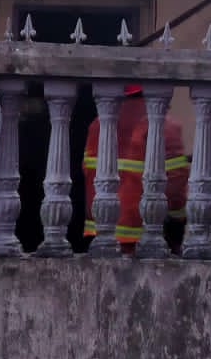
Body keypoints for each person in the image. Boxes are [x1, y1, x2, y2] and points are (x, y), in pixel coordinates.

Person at [81, 85, 190, 253]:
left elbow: (87, 172)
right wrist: (177, 224)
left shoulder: (97, 124)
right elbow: (175, 185)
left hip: (98, 233)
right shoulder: (164, 125)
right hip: (141, 238)